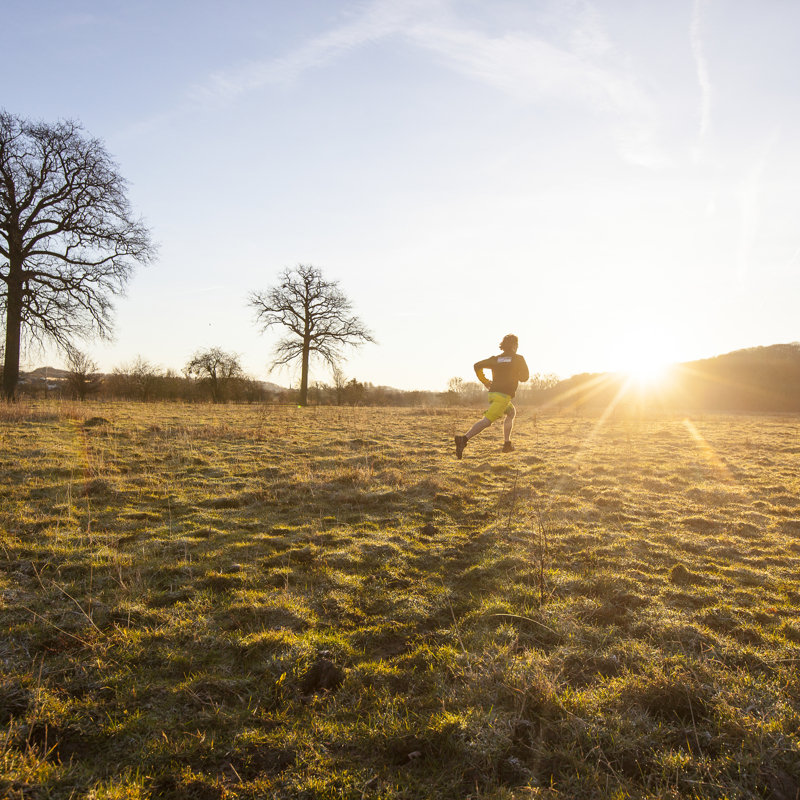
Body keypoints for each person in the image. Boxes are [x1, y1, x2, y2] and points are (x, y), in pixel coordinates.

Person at [454, 334, 529, 459]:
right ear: (515, 346)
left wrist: (485, 381)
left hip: (493, 394)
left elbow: (476, 365)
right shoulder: (518, 358)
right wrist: (516, 374)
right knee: (486, 422)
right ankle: (463, 439)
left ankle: (507, 444)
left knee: (511, 412)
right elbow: (525, 377)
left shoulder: (496, 359)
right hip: (503, 396)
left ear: (503, 346)